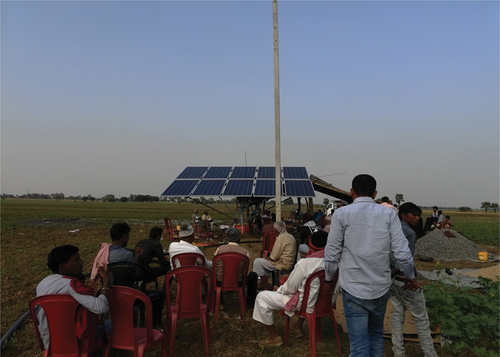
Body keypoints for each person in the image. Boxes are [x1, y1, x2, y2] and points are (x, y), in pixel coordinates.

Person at [324, 174, 419, 357]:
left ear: (351, 192)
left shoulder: (342, 214)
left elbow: (332, 253)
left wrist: (328, 280)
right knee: (376, 336)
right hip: (380, 287)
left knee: (359, 345)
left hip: (353, 288)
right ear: (375, 193)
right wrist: (411, 278)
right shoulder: (389, 214)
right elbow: (403, 254)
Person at [252, 230, 329, 347]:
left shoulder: (305, 264)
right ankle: (298, 326)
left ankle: (274, 337)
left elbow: (289, 289)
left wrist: (278, 290)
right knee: (309, 292)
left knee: (261, 297)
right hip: (325, 303)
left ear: (311, 245)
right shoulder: (335, 261)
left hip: (306, 304)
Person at [36, 245, 110, 350]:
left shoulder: (43, 283)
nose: (81, 261)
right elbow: (100, 307)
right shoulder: (71, 285)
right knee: (112, 327)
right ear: (62, 266)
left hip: (49, 342)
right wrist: (106, 281)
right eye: (76, 260)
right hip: (73, 342)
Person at [390, 202, 438, 357]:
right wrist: (411, 279)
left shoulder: (391, 228)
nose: (418, 218)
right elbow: (405, 260)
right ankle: (430, 354)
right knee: (422, 320)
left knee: (397, 315)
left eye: (418, 215)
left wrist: (389, 274)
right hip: (405, 281)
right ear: (403, 215)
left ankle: (398, 352)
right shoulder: (409, 232)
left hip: (391, 281)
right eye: (414, 215)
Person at [213, 227, 258, 307]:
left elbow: (215, 266)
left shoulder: (219, 249)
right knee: (254, 275)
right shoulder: (244, 252)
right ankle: (250, 303)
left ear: (227, 238)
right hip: (238, 281)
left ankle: (220, 302)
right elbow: (246, 272)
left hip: (220, 281)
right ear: (239, 238)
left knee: (217, 275)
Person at [252, 221, 296, 290]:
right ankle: (261, 284)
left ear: (275, 230)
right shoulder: (290, 236)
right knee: (264, 262)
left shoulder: (280, 238)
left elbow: (274, 257)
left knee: (257, 262)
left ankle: (267, 286)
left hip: (282, 265)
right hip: (289, 263)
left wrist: (269, 257)